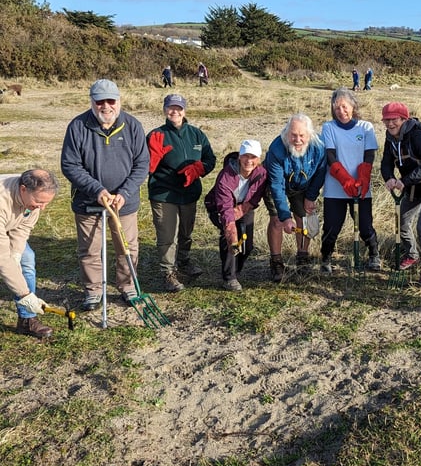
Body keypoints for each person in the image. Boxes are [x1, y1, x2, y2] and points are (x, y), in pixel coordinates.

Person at [61, 79, 150, 311]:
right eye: (100, 101)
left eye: (111, 101)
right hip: (88, 202)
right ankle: (93, 291)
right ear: (92, 102)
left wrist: (125, 192)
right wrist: (97, 190)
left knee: (127, 246)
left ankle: (128, 286)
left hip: (124, 202)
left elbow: (142, 164)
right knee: (90, 249)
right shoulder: (77, 126)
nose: (106, 106)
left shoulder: (132, 126)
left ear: (119, 101)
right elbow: (70, 165)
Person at [146, 93, 216, 292]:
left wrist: (199, 169)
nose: (174, 111)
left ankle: (184, 261)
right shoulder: (156, 135)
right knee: (168, 235)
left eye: (178, 108)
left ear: (184, 111)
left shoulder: (196, 134)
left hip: (189, 192)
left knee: (186, 232)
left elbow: (210, 159)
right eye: (170, 108)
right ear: (164, 110)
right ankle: (168, 273)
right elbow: (143, 167)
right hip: (163, 193)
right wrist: (152, 161)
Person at [380, 102, 421, 285]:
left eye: (394, 120)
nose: (390, 124)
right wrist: (389, 178)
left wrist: (405, 181)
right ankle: (412, 254)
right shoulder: (390, 137)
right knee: (402, 222)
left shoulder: (416, 135)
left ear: (403, 119)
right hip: (413, 189)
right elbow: (386, 162)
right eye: (387, 120)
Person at [320, 87, 380, 273]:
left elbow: (369, 155)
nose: (341, 111)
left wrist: (362, 178)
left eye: (344, 106)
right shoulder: (328, 127)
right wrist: (344, 180)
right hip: (335, 188)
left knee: (364, 226)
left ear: (353, 106)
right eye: (337, 107)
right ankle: (326, 258)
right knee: (332, 227)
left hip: (361, 187)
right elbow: (330, 155)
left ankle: (374, 255)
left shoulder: (366, 127)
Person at [264, 113, 326, 282]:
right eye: (293, 135)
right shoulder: (276, 149)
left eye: (301, 135)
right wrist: (285, 216)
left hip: (304, 186)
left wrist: (311, 197)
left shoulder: (318, 146)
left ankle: (302, 258)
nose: (297, 140)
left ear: (309, 135)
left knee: (304, 217)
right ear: (287, 134)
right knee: (277, 220)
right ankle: (276, 262)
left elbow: (321, 172)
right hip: (278, 185)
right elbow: (276, 185)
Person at [0, 169, 58, 338]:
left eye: (46, 203)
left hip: (6, 228)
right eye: (39, 202)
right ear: (23, 189)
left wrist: (16, 253)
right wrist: (25, 295)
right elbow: (2, 258)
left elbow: (24, 226)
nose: (42, 208)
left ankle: (27, 319)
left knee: (26, 258)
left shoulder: (33, 200)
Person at [204, 140, 268, 291]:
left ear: (258, 159)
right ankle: (229, 277)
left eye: (253, 157)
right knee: (230, 240)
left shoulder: (262, 174)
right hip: (219, 207)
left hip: (245, 206)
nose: (249, 161)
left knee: (247, 245)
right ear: (239, 156)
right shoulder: (225, 176)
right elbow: (225, 210)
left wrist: (242, 209)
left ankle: (236, 268)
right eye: (245, 156)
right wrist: (231, 231)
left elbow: (255, 197)